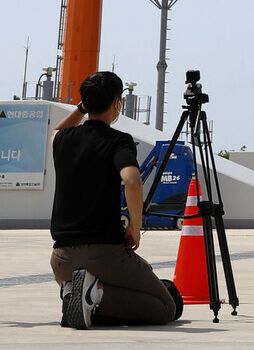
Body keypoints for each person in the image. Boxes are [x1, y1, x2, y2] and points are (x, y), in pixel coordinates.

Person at [49, 70, 180, 330]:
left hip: (62, 259)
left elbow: (57, 129)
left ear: (85, 102)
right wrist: (136, 226)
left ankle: (79, 295)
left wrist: (82, 108)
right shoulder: (118, 141)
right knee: (168, 307)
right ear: (117, 102)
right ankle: (95, 295)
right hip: (105, 254)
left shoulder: (62, 140)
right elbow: (132, 180)